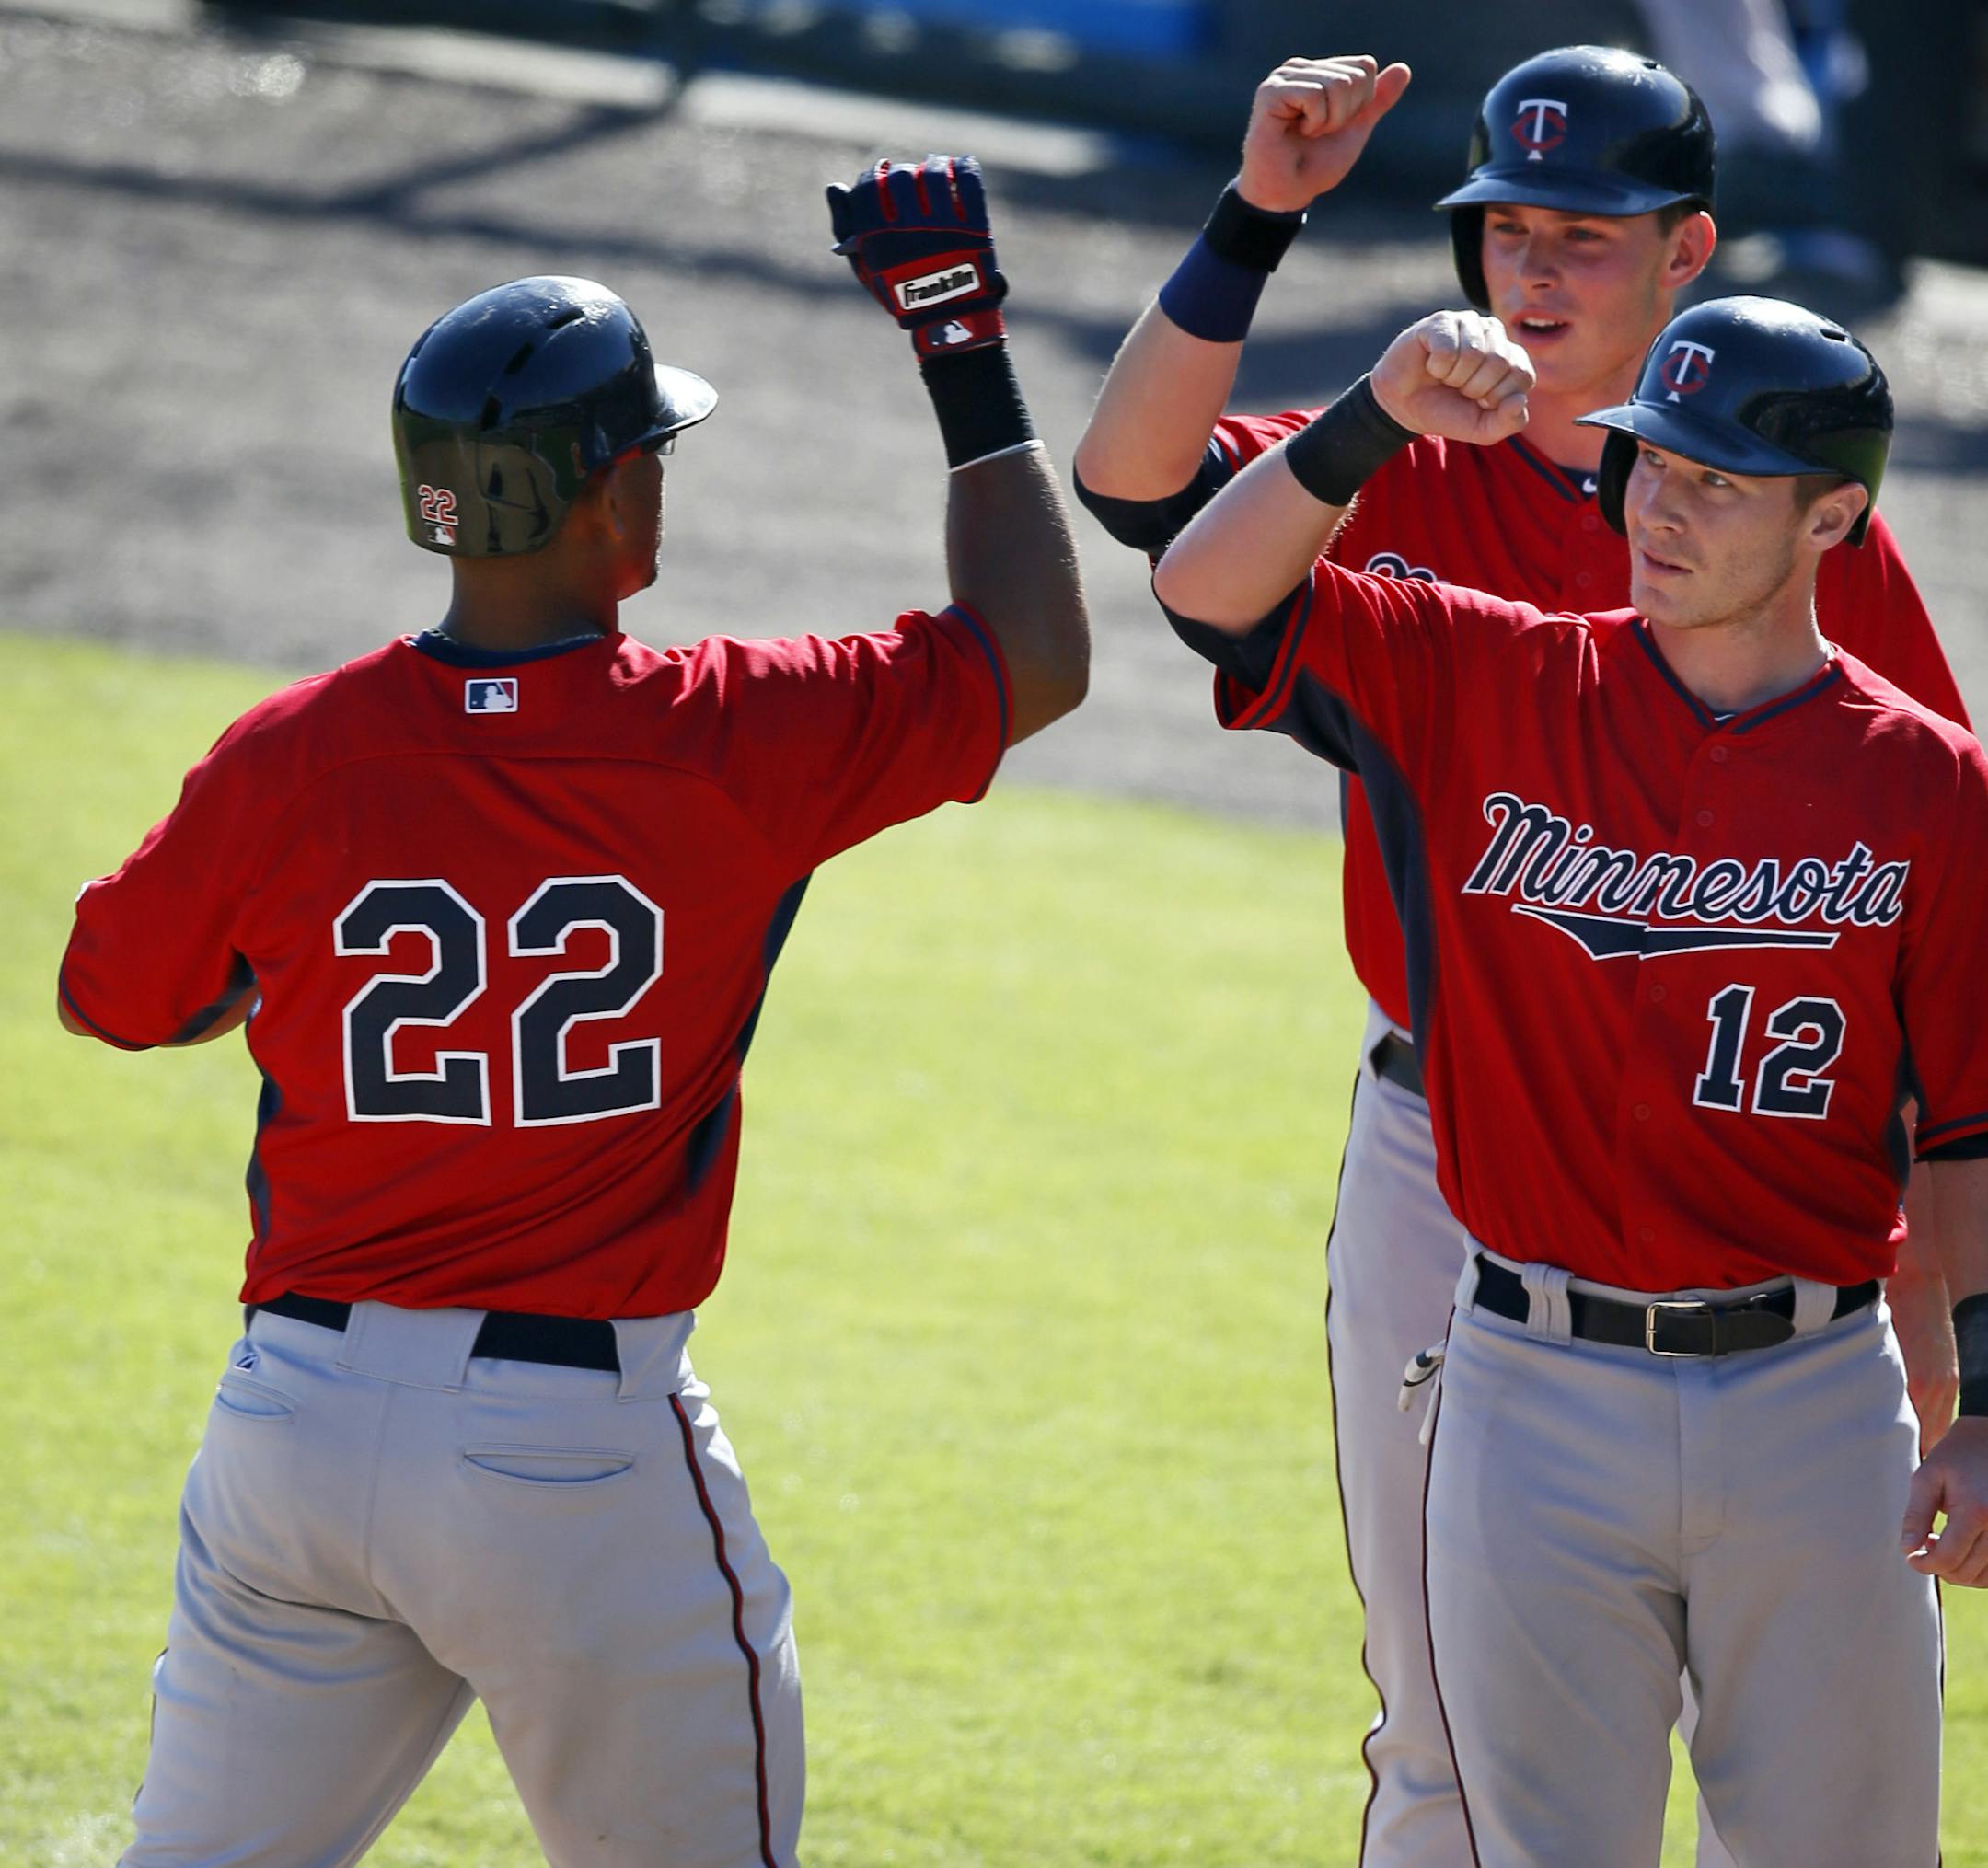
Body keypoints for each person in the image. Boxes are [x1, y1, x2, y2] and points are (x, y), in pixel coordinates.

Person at [57, 155, 1088, 1868]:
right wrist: (959, 339)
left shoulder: (287, 756)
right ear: (605, 500)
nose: (663, 483)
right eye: (652, 456)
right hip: (567, 1456)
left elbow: (113, 995)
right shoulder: (737, 730)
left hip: (289, 1434)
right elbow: (1032, 654)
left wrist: (268, 960)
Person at [1070, 46, 1970, 1866]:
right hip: (1461, 1144)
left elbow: (1926, 950)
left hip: (1773, 1195)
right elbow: (1140, 500)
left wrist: (1940, 1338)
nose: (1534, 277)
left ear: (1685, 250)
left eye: (1587, 236)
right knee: (1450, 1724)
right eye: (1507, 235)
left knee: (1809, 1784)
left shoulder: (1810, 520)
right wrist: (1268, 230)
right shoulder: (1427, 501)